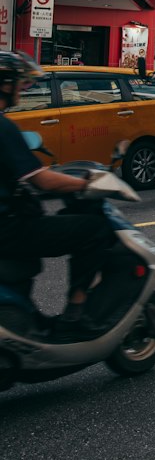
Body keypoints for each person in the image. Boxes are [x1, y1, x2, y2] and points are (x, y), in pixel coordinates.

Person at [0, 51, 113, 338]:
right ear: (5, 84)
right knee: (93, 229)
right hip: (8, 229)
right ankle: (76, 313)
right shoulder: (3, 127)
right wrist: (86, 184)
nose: (23, 89)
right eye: (20, 83)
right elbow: (42, 181)